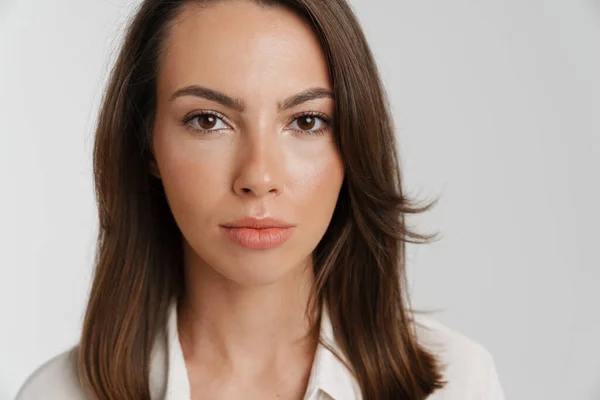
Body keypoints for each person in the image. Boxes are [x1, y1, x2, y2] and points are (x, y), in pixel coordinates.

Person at [16, 0, 505, 399]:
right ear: (148, 146)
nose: (259, 176)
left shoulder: (459, 384)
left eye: (307, 121)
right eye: (208, 121)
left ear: (354, 143)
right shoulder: (55, 394)